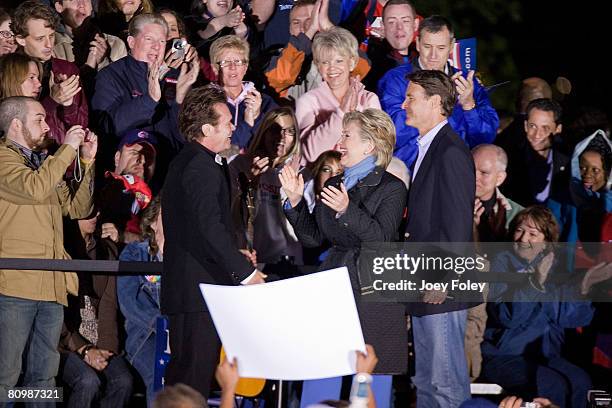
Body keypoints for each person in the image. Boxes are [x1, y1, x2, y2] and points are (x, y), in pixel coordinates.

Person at [280, 108, 409, 374]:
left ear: (369, 144)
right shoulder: (334, 184)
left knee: (372, 378)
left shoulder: (392, 188)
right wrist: (295, 202)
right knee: (326, 373)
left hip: (373, 291)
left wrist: (346, 210)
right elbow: (313, 238)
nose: (339, 143)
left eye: (347, 136)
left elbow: (382, 240)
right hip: (335, 283)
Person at [161, 85, 266, 398]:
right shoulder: (199, 166)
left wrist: (236, 253)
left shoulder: (200, 162)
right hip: (197, 292)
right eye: (227, 121)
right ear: (207, 128)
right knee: (191, 385)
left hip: (199, 289)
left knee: (192, 382)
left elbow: (203, 227)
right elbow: (209, 229)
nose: (234, 126)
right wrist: (245, 273)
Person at [0, 96, 97, 401]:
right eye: (39, 120)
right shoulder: (4, 159)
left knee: (43, 377)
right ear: (16, 124)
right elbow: (34, 188)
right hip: (16, 286)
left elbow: (77, 209)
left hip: (51, 284)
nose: (47, 127)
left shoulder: (46, 163)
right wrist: (68, 149)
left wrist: (86, 162)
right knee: (7, 375)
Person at [401, 70, 475, 406]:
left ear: (434, 103)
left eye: (411, 98)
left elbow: (457, 221)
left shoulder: (450, 151)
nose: (404, 105)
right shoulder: (431, 148)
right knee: (427, 381)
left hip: (440, 286)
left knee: (444, 382)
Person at [481, 206, 596, 408]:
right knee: (551, 385)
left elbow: (571, 318)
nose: (524, 238)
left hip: (545, 354)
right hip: (505, 355)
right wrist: (534, 283)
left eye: (533, 234)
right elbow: (509, 318)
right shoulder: (500, 264)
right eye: (519, 230)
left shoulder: (554, 269)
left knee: (581, 383)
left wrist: (583, 288)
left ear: (546, 242)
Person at [91, 12, 199, 185]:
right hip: (126, 180)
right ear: (131, 42)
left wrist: (180, 99)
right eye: (149, 39)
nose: (157, 47)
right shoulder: (111, 76)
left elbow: (182, 138)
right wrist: (149, 100)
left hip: (166, 178)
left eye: (162, 41)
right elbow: (107, 127)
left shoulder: (174, 76)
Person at [378, 15, 499, 168]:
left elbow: (485, 139)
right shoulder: (395, 80)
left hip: (454, 171)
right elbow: (393, 133)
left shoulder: (468, 84)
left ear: (451, 46)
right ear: (418, 44)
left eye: (441, 48)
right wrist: (444, 103)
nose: (433, 56)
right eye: (428, 47)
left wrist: (469, 106)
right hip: (408, 171)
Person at [60, 211, 133, 408]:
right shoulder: (59, 249)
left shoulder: (106, 250)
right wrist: (84, 349)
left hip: (98, 339)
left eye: (96, 210)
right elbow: (55, 316)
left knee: (123, 382)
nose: (95, 215)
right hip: (65, 342)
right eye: (87, 211)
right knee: (88, 382)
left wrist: (105, 348)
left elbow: (109, 304)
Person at [230, 107, 312, 273]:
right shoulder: (241, 164)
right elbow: (230, 214)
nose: (281, 137)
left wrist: (295, 198)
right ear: (263, 132)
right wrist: (250, 183)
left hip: (289, 260)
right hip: (250, 260)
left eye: (289, 131)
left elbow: (309, 232)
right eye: (275, 130)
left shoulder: (303, 174)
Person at [296, 26, 381, 164]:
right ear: (318, 66)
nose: (332, 68)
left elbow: (379, 149)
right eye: (325, 62)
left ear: (352, 63)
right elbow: (308, 154)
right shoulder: (308, 102)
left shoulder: (369, 99)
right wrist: (341, 113)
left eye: (339, 61)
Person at [12, 0, 89, 146]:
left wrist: (68, 105)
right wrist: (52, 101)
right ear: (21, 40)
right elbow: (14, 126)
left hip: (64, 157)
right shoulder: (9, 72)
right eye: (40, 38)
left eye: (52, 36)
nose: (49, 44)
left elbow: (81, 126)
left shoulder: (66, 69)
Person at [263, 0, 370, 103]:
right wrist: (309, 33)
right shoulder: (278, 55)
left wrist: (329, 28)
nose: (303, 27)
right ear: (290, 28)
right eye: (296, 23)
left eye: (310, 21)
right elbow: (277, 79)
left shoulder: (336, 52)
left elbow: (362, 68)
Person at [117, 195, 163, 406]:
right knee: (160, 373)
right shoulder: (135, 254)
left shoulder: (188, 257)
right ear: (153, 222)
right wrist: (164, 326)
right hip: (145, 336)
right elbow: (129, 302)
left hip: (181, 334)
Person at [209, 35, 277, 150]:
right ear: (215, 68)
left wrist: (257, 117)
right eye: (226, 62)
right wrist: (247, 124)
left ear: (245, 67)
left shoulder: (266, 102)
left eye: (238, 61)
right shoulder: (206, 102)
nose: (233, 67)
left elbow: (272, 144)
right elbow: (218, 148)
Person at [52, 0, 127, 98]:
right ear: (59, 6)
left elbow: (122, 91)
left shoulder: (115, 44)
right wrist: (89, 68)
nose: (81, 4)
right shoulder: (50, 46)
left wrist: (103, 62)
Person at [472, 144, 524, 243]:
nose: (475, 177)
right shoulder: (445, 204)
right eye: (471, 169)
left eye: (484, 173)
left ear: (500, 178)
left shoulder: (518, 216)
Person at [363, 0, 418, 91]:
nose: (399, 27)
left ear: (416, 24)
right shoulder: (370, 62)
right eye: (391, 22)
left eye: (405, 21)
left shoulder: (422, 54)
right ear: (383, 26)